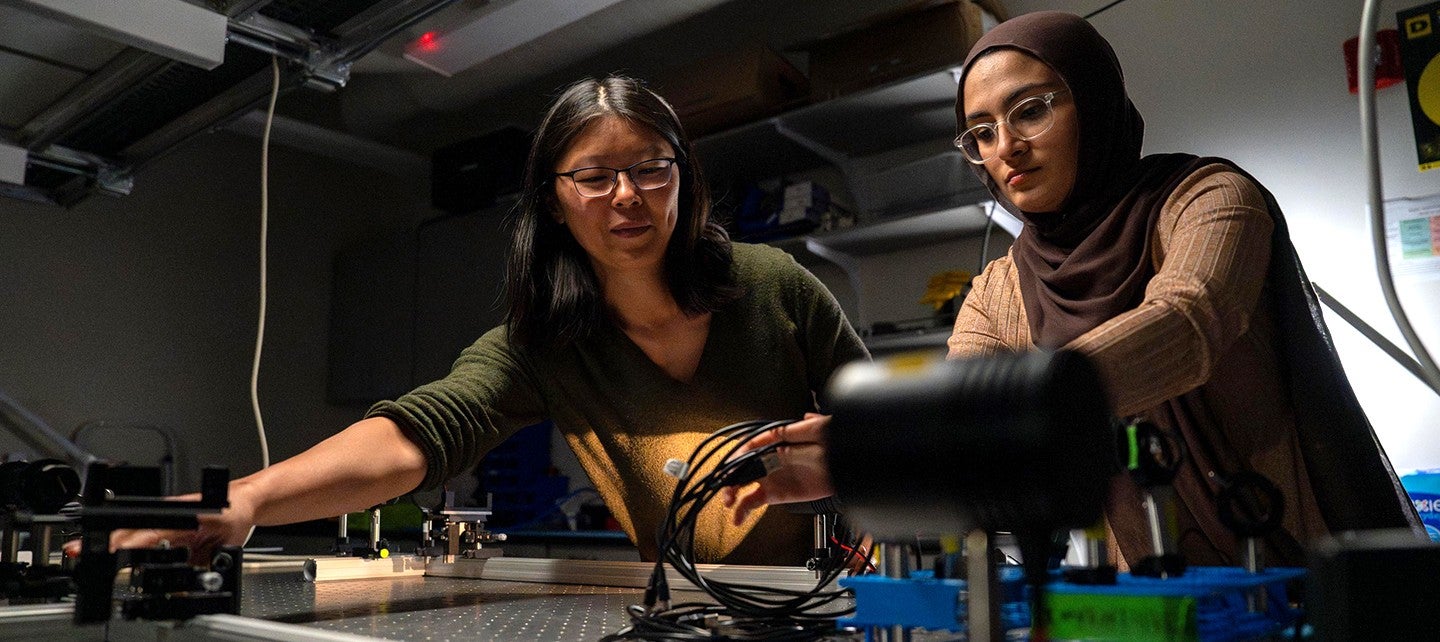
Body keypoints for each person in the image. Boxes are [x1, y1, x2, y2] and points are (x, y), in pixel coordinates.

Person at [723, 11, 1422, 568]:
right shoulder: (1000, 288)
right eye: (981, 133)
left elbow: (1185, 325)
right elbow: (969, 422)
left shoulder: (1208, 199)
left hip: (1306, 568)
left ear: (1092, 102)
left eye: (1030, 111)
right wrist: (866, 460)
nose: (1006, 148)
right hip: (1147, 598)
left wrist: (909, 427)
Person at [81, 75, 868, 565]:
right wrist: (246, 499)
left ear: (682, 180)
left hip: (830, 599)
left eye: (650, 169)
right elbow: (418, 432)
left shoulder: (774, 286)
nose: (626, 195)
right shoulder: (543, 345)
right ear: (556, 204)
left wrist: (861, 460)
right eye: (594, 177)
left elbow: (896, 426)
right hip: (683, 608)